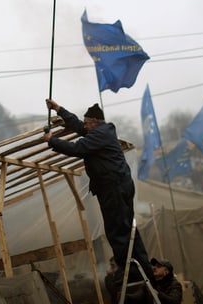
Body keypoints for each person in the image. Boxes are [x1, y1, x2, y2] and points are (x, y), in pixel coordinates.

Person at [43, 100, 153, 295]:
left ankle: (130, 271)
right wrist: (59, 109)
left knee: (116, 230)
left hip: (113, 188)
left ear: (95, 122)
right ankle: (142, 268)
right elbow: (78, 126)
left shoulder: (99, 136)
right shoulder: (101, 132)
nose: (84, 127)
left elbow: (78, 149)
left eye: (87, 123)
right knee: (127, 229)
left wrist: (52, 141)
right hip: (119, 186)